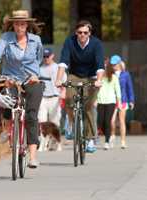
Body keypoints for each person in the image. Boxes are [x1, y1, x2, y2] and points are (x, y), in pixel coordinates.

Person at [0, 10, 44, 168]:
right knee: (5, 101)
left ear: (27, 25)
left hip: (31, 80)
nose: (20, 26)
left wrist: (35, 74)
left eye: (23, 23)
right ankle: (8, 129)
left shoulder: (36, 40)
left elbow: (39, 58)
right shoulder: (5, 39)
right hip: (11, 79)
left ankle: (33, 157)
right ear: (12, 25)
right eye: (17, 23)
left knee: (31, 116)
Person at [55, 20, 104, 153]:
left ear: (90, 33)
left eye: (85, 33)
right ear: (76, 33)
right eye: (79, 32)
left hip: (92, 76)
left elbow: (100, 65)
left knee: (89, 107)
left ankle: (90, 139)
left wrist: (99, 80)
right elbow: (63, 63)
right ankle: (71, 124)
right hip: (75, 75)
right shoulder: (70, 42)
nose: (82, 35)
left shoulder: (96, 44)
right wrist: (59, 79)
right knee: (69, 100)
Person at [38, 48, 66, 151]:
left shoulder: (58, 68)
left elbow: (64, 82)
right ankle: (42, 144)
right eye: (44, 57)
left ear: (52, 56)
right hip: (43, 98)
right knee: (42, 121)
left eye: (47, 56)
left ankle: (56, 142)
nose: (46, 59)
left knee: (55, 122)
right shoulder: (40, 69)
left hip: (55, 97)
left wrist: (63, 93)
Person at [110, 55, 135, 149]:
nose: (113, 66)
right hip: (112, 100)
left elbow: (130, 88)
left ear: (119, 64)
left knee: (121, 121)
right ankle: (112, 135)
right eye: (112, 64)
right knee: (111, 121)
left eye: (115, 64)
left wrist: (131, 100)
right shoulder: (110, 75)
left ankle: (123, 142)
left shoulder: (126, 74)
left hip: (123, 100)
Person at [97, 62, 121, 150]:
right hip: (100, 101)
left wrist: (119, 102)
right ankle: (109, 134)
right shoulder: (99, 78)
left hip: (111, 102)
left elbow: (117, 90)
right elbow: (95, 90)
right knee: (100, 122)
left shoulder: (114, 77)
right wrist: (95, 99)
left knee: (107, 121)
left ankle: (106, 141)